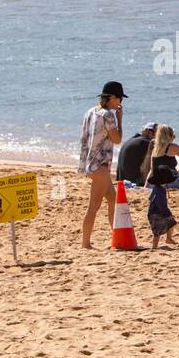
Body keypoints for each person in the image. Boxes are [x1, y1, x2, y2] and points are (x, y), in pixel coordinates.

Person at [78, 80, 125, 249]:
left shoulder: (91, 111)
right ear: (112, 97)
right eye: (120, 98)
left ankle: (116, 236)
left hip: (90, 163)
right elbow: (117, 139)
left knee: (112, 199)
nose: (121, 102)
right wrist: (120, 120)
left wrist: (83, 164)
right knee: (94, 206)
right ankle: (85, 243)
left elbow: (84, 138)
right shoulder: (108, 115)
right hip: (101, 166)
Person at [144, 125, 179, 248]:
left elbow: (151, 170)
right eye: (172, 135)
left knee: (159, 218)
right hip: (158, 193)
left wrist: (146, 185)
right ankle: (162, 242)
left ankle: (166, 240)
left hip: (157, 190)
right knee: (165, 217)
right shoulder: (168, 148)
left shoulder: (156, 148)